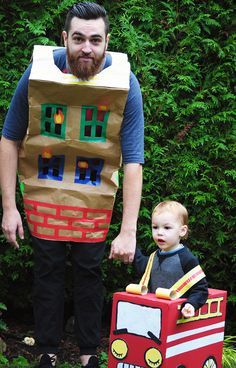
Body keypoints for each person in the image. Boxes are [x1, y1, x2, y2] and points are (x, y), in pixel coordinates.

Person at [0, 2, 144, 368]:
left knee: (89, 273)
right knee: (46, 270)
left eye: (95, 40)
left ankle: (88, 354)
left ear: (107, 41)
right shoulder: (39, 73)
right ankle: (46, 351)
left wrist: (128, 230)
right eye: (78, 38)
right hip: (45, 192)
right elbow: (9, 138)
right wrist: (9, 208)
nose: (86, 49)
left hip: (92, 198)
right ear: (64, 38)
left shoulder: (124, 82)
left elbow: (133, 158)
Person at [134, 200, 208, 318]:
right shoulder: (153, 257)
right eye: (155, 227)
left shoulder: (187, 259)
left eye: (167, 228)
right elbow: (140, 265)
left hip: (177, 319)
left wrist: (191, 304)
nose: (159, 232)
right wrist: (131, 244)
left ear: (182, 231)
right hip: (154, 314)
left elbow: (201, 290)